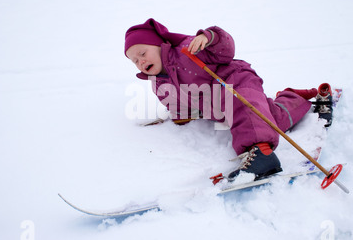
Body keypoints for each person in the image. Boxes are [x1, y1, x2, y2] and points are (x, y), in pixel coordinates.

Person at [124, 18, 331, 182]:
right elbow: (176, 104)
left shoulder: (187, 50)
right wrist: (181, 118)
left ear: (160, 45)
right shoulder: (158, 84)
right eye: (134, 61)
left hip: (236, 82)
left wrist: (211, 37)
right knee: (268, 120)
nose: (140, 61)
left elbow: (226, 49)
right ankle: (295, 98)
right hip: (220, 107)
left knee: (244, 108)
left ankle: (260, 154)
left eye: (143, 53)